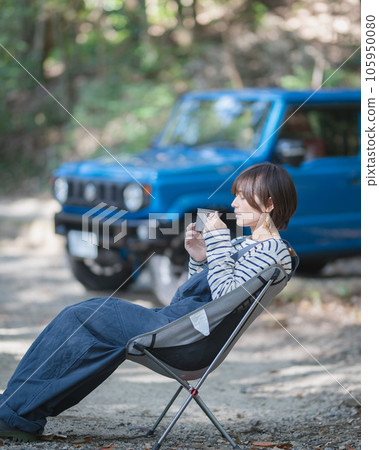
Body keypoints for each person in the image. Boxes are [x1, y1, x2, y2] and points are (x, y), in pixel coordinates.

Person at [0, 162, 297, 442]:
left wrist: (218, 242)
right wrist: (199, 258)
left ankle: (14, 414)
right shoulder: (245, 244)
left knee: (83, 316)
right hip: (180, 325)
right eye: (236, 197)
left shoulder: (272, 252)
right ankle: (18, 410)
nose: (233, 204)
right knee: (86, 322)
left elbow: (224, 297)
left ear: (269, 204)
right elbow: (200, 294)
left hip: (188, 340)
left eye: (243, 198)